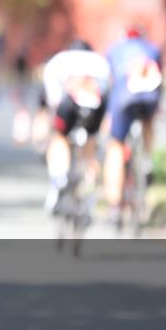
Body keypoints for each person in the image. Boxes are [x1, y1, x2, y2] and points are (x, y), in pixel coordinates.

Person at [40, 40, 111, 215]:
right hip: (95, 105)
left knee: (59, 138)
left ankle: (60, 178)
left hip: (70, 103)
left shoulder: (59, 60)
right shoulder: (100, 61)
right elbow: (106, 90)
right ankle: (89, 193)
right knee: (91, 144)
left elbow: (54, 99)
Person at [102, 25, 163, 221]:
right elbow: (159, 78)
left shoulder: (114, 50)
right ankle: (146, 161)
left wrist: (108, 114)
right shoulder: (152, 48)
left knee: (116, 147)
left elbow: (108, 83)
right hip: (149, 96)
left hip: (124, 98)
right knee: (148, 123)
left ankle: (114, 203)